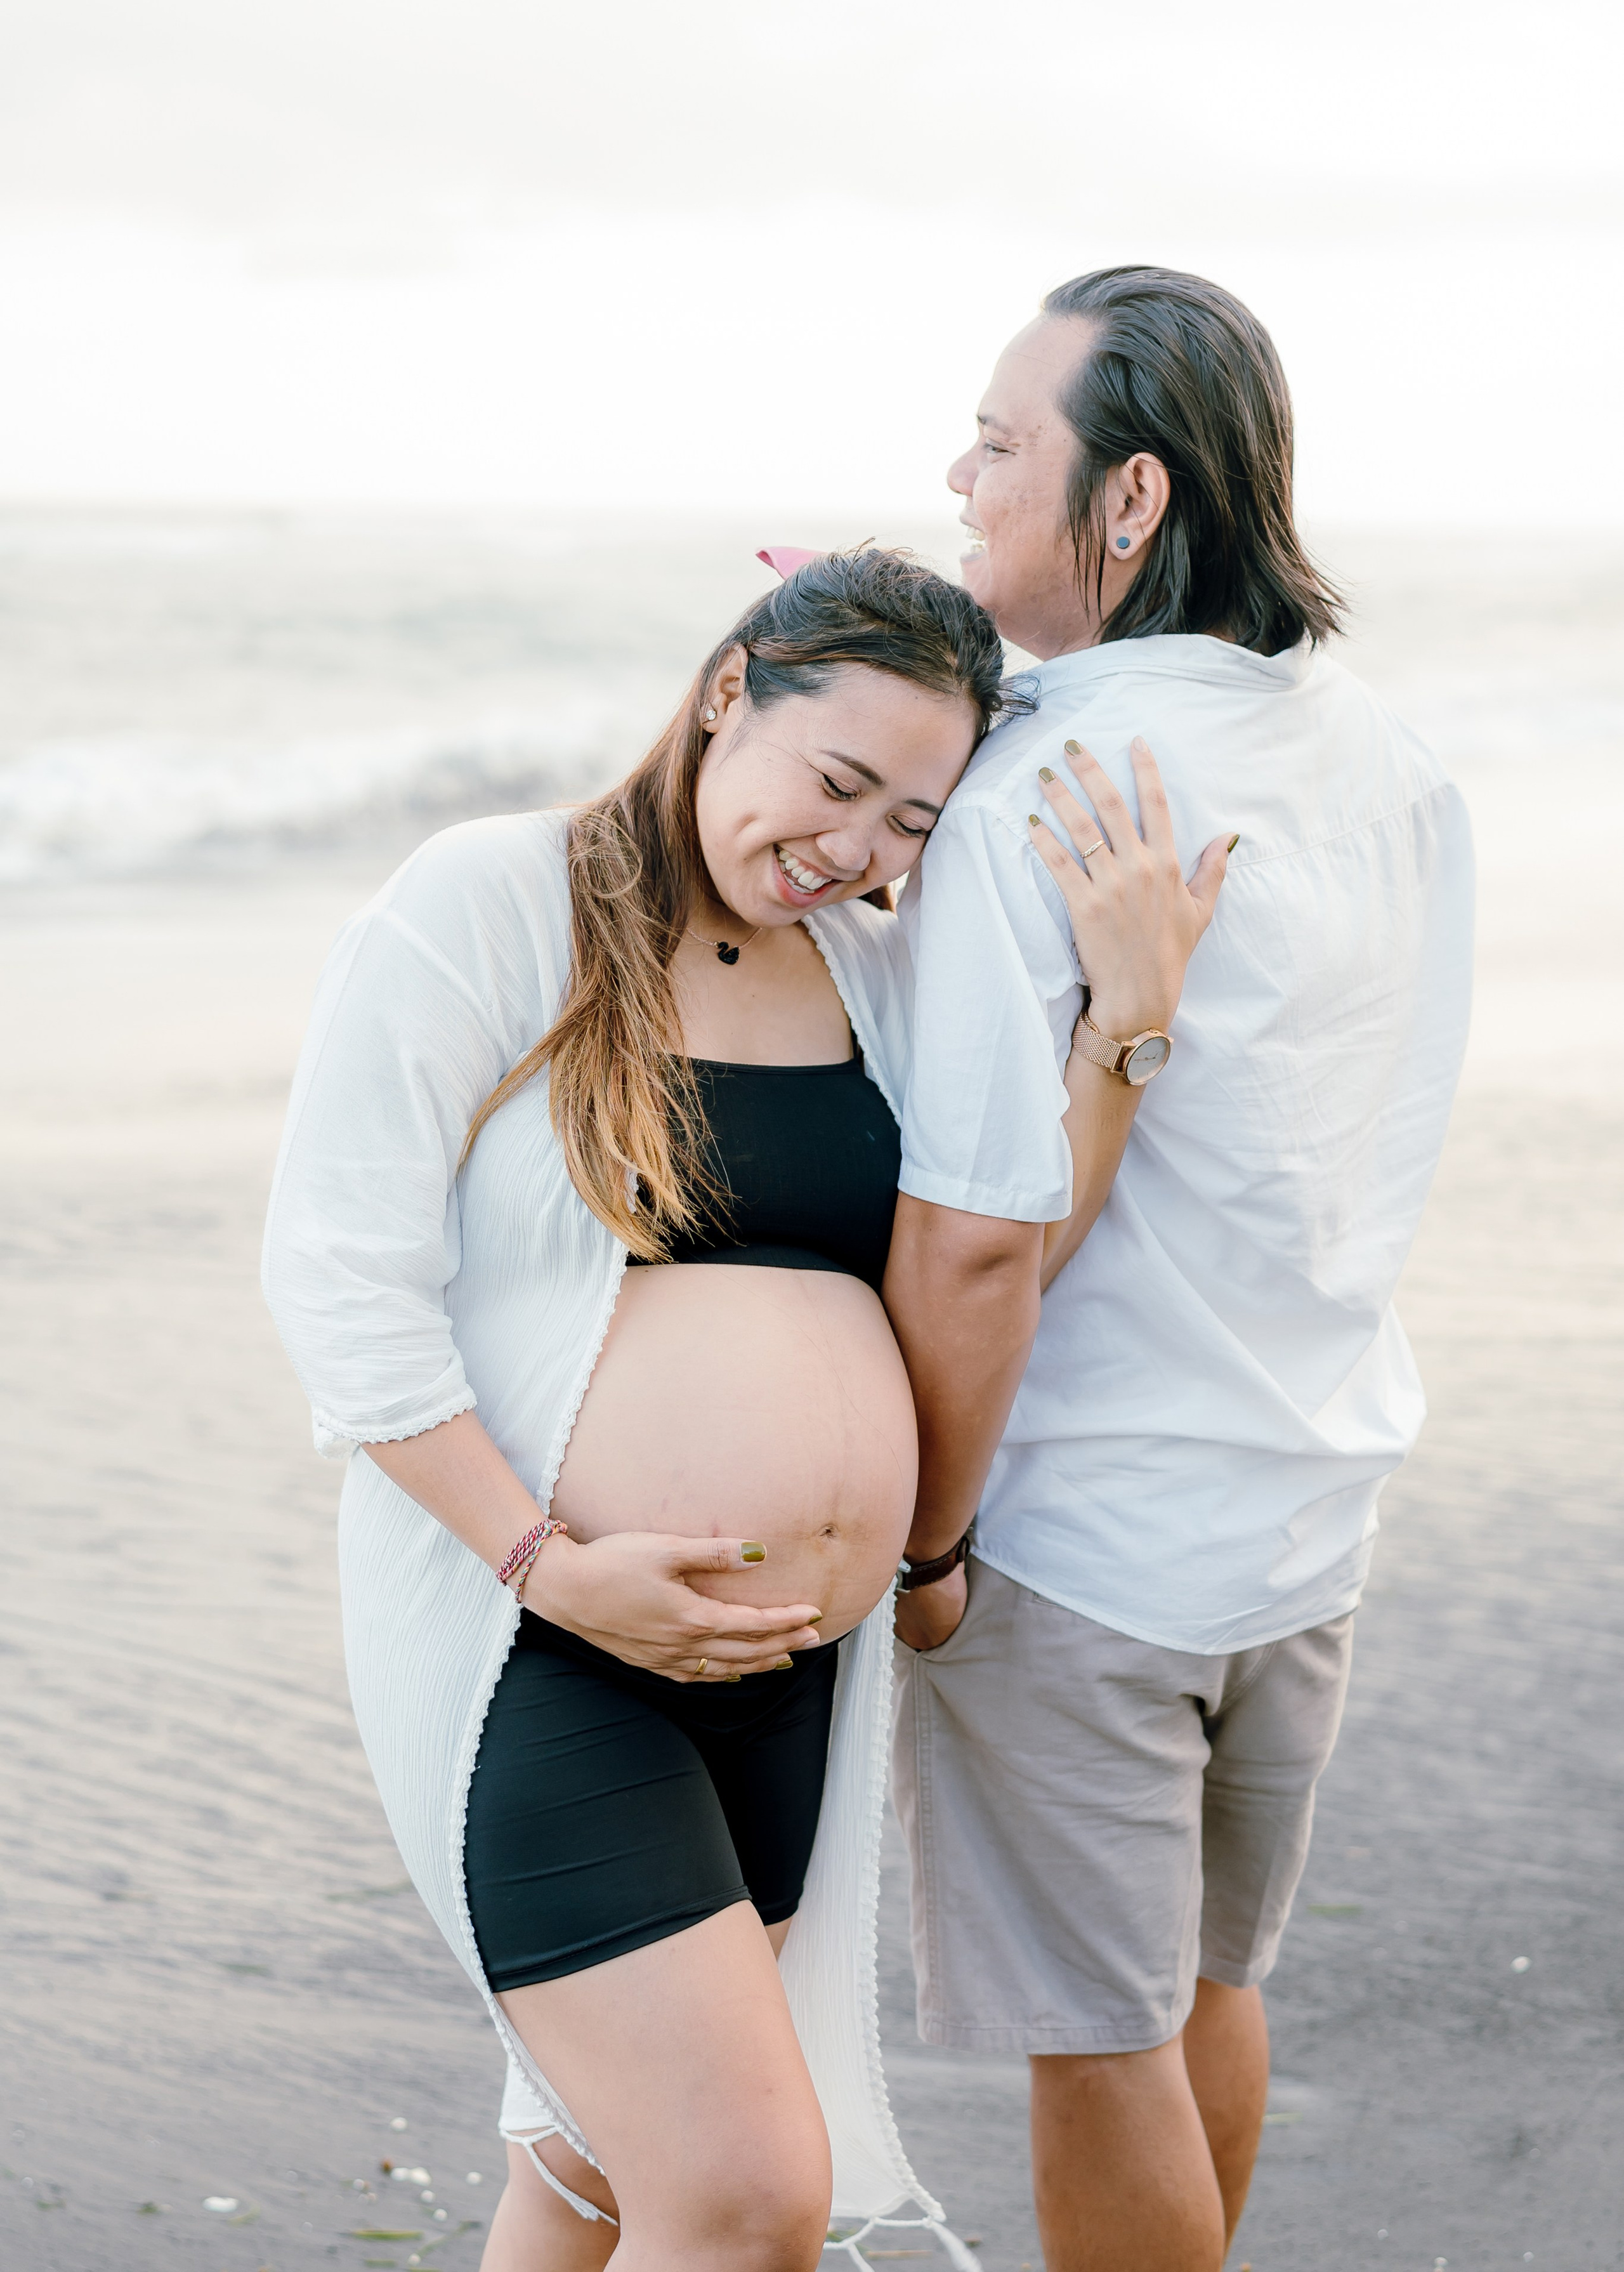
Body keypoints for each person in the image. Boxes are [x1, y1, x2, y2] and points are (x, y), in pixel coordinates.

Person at [261, 545, 1232, 2272]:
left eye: (911, 825)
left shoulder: (874, 967)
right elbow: (338, 1280)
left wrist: (1123, 1034)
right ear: (731, 691)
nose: (854, 852)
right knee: (740, 2196)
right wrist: (540, 1562)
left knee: (594, 2173)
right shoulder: (498, 899)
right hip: (539, 1650)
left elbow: (986, 1248)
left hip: (793, 1676)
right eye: (836, 782)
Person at [886, 267, 1474, 2272]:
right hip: (1305, 1490)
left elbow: (976, 1244)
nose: (956, 476)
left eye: (1000, 443)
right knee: (1208, 1988)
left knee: (1099, 2041)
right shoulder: (1378, 752)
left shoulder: (1041, 784)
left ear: (1126, 503)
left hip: (1088, 1528)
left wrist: (927, 1547)